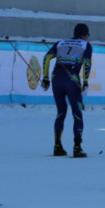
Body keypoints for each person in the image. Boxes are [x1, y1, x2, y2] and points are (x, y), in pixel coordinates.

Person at [42, 23, 92, 158]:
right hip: (72, 79)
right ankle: (77, 147)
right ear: (85, 35)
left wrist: (45, 78)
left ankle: (57, 146)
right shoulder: (85, 45)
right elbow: (87, 63)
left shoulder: (60, 42)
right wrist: (86, 83)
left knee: (60, 113)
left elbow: (46, 58)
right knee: (77, 114)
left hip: (56, 79)